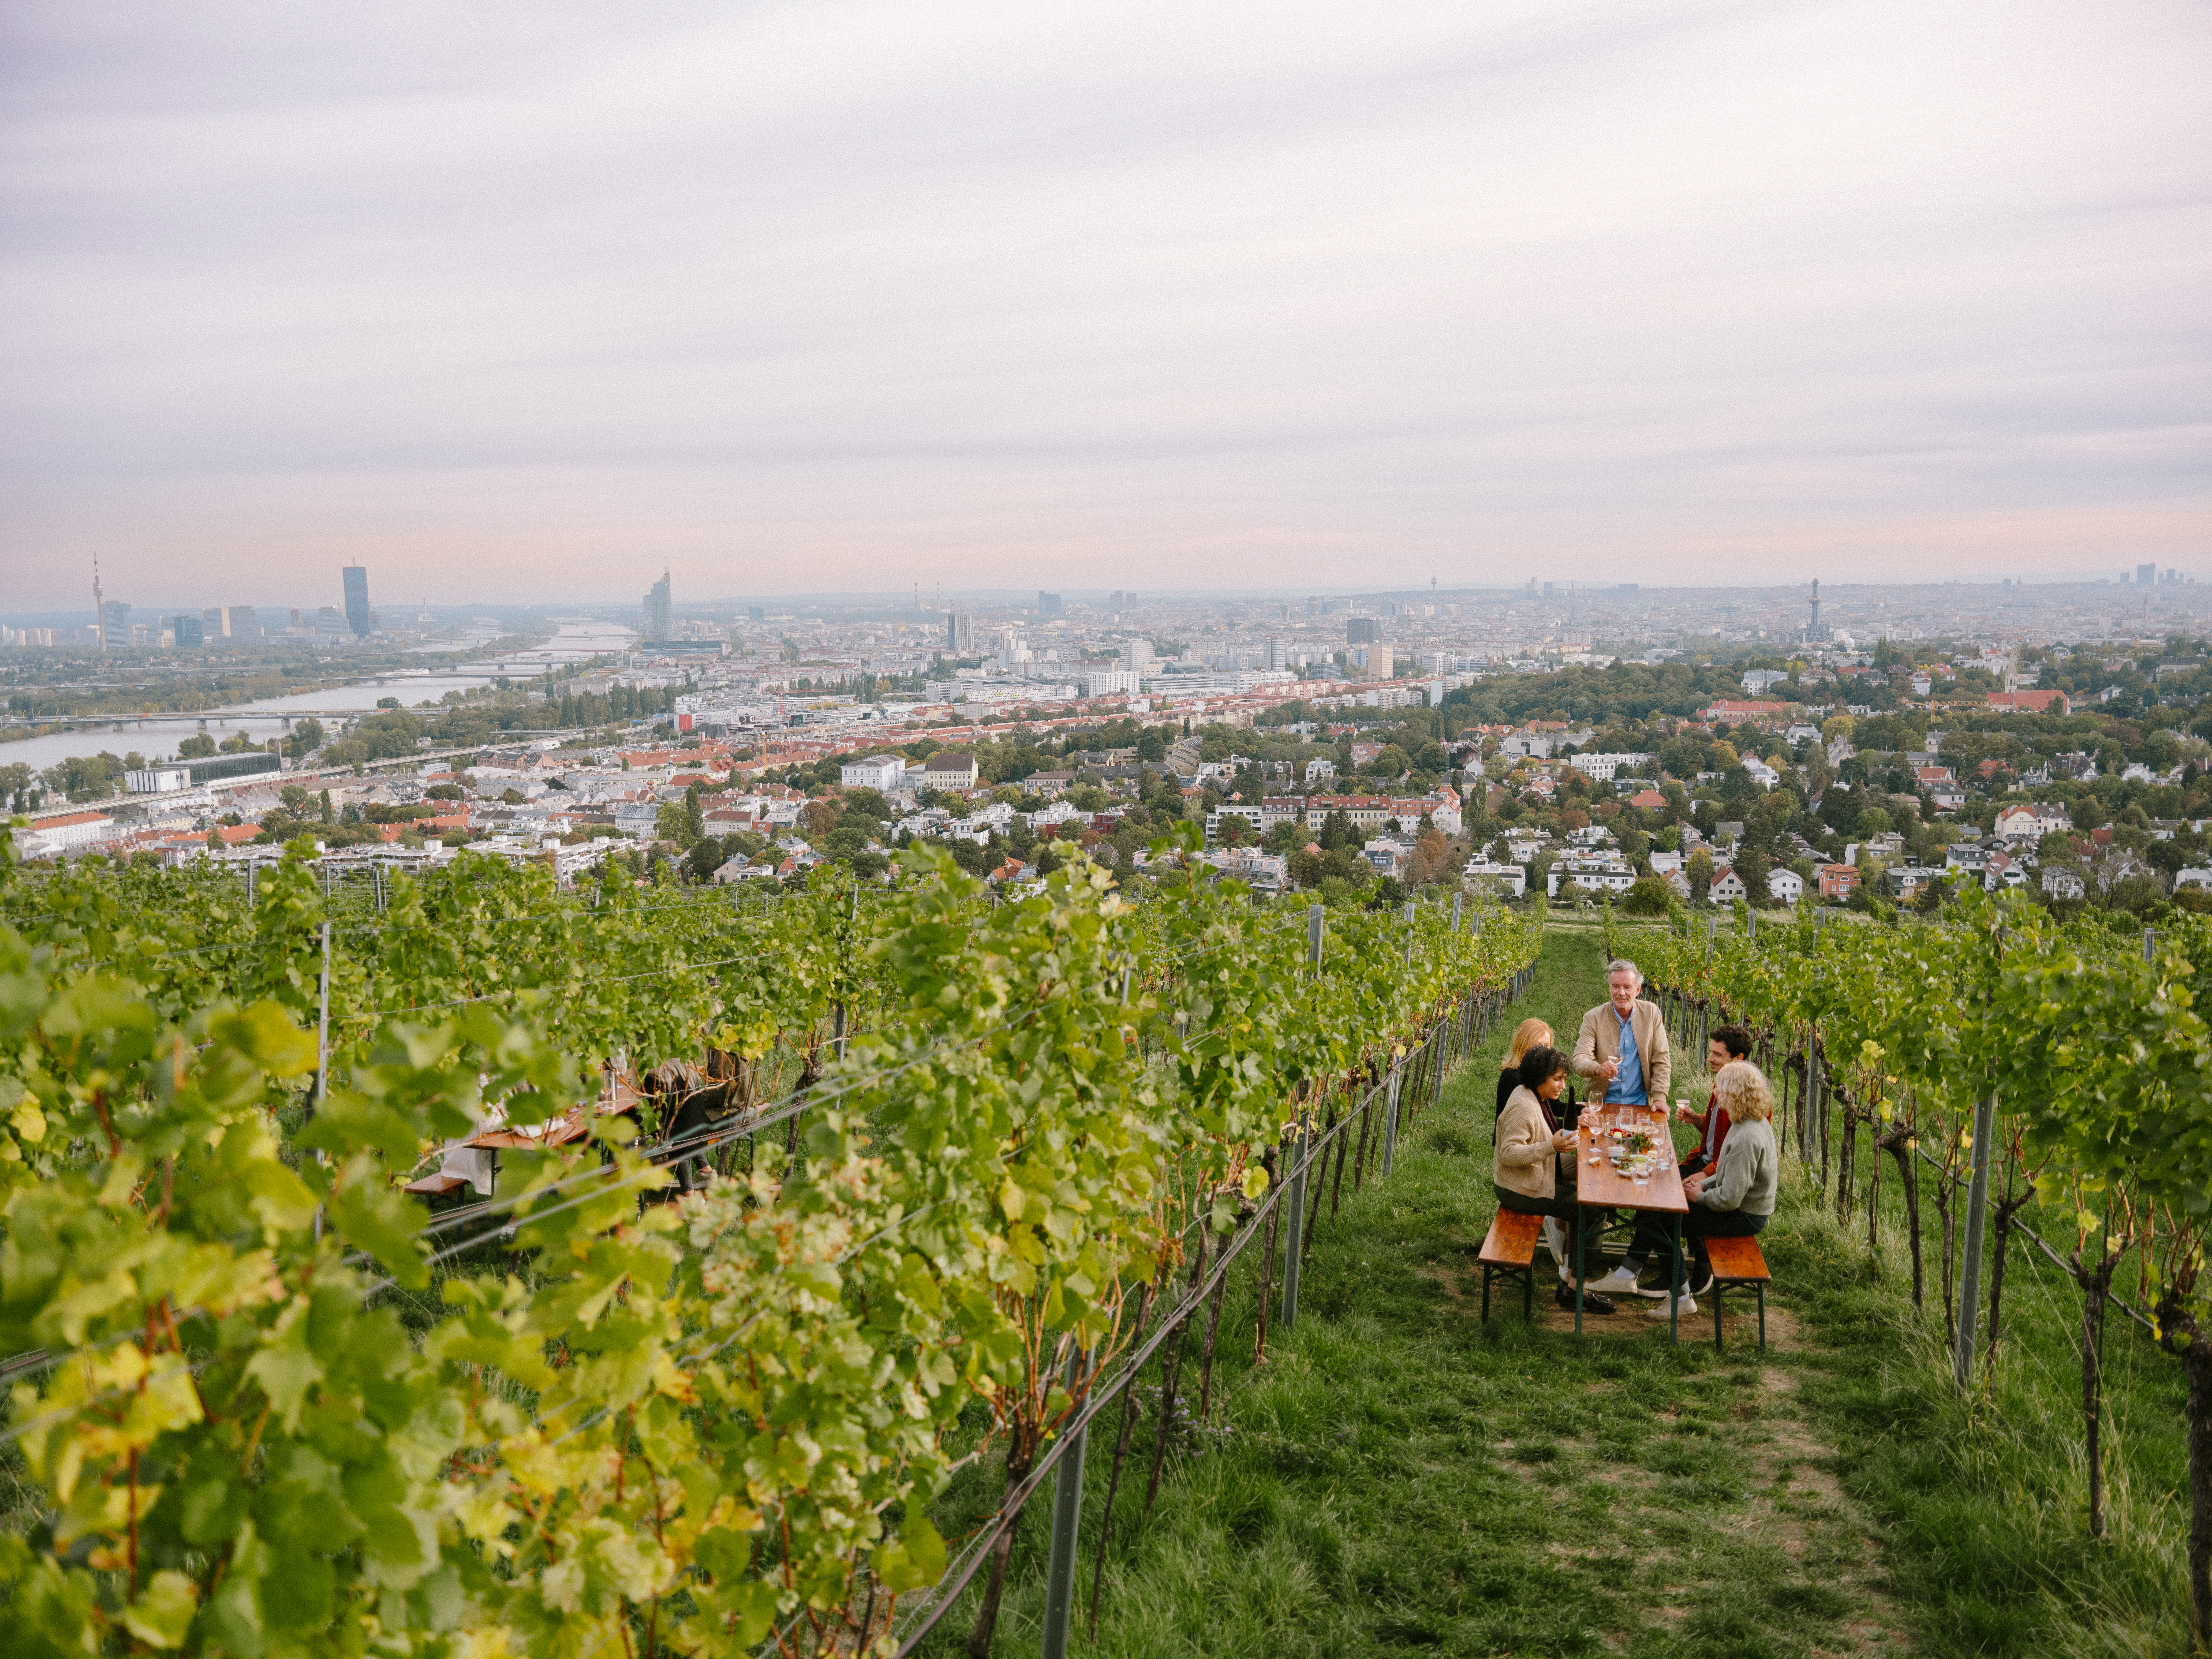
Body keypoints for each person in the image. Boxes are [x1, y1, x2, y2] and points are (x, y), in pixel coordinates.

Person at [1588, 1059, 1778, 1318]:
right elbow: (1727, 1172)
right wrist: (1702, 1182)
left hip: (1745, 1216)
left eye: (1720, 1089)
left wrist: (1698, 1196)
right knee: (1661, 1209)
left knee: (1663, 1220)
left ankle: (1680, 1298)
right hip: (1737, 1204)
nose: (1715, 1093)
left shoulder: (1747, 1137)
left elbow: (1731, 1199)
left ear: (1734, 1093)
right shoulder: (1747, 1122)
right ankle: (1643, 1279)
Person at [1494, 1046, 1617, 1314]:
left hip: (1535, 1176)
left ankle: (1572, 1281)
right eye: (1558, 1079)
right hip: (1519, 1188)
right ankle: (1576, 1288)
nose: (1563, 1085)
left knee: (1590, 1187)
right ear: (1540, 1078)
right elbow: (1508, 1154)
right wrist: (1551, 1146)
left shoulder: (1535, 1096)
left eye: (1563, 1078)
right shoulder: (1523, 1106)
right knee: (1594, 1208)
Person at [1570, 959, 1671, 1111]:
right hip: (1601, 1104)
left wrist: (1660, 1097)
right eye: (1616, 987)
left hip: (1640, 1104)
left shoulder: (1651, 1013)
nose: (1621, 993)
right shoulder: (1594, 1018)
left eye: (1627, 987)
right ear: (1610, 987)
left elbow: (1661, 1060)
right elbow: (1579, 1060)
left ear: (1638, 990)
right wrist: (1597, 1069)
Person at [1676, 1025, 1752, 1178]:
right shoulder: (1722, 1082)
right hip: (1704, 1163)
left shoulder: (1748, 1100)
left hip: (1720, 1175)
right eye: (1710, 1051)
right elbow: (1720, 1132)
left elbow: (1739, 1155)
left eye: (1717, 1054)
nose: (1710, 1058)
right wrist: (1697, 1120)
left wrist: (1705, 1175)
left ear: (1738, 1058)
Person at [1496, 1018, 1554, 1118]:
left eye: (1547, 1046)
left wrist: (1581, 1109)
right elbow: (1532, 1120)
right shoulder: (1511, 1077)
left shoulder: (1541, 1071)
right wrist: (1569, 1124)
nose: (1544, 1051)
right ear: (1523, 1046)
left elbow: (1553, 1106)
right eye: (1539, 1046)